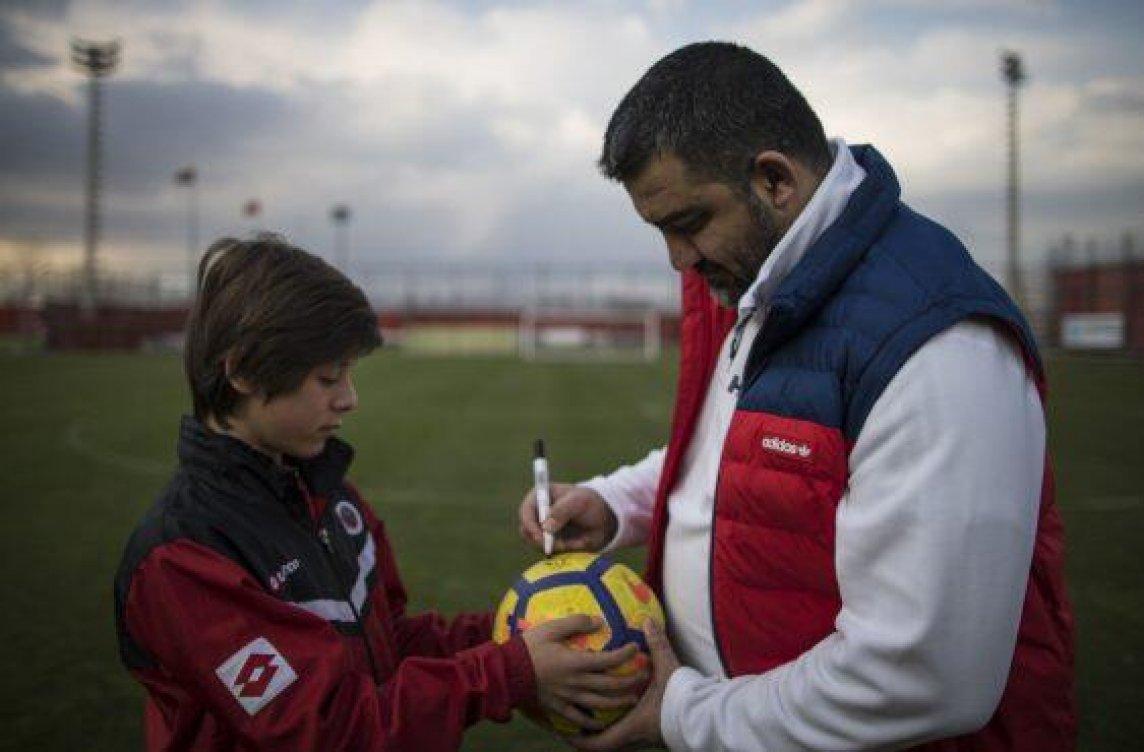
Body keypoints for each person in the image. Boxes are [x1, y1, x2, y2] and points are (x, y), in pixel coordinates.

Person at [519, 42, 1075, 751]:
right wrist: (615, 502)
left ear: (774, 180)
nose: (676, 260)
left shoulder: (936, 345)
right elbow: (739, 462)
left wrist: (687, 714)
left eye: (688, 223)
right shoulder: (770, 279)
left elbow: (922, 678)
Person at [114, 234, 645, 751]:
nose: (350, 399)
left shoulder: (332, 499)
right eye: (328, 379)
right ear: (244, 372)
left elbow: (390, 647)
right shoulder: (181, 560)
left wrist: (533, 623)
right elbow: (332, 730)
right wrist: (511, 670)